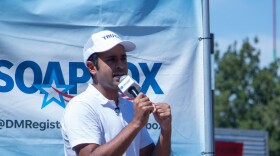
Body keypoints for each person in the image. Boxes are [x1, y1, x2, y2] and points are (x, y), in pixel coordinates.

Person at [61, 30, 172, 156]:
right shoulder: (81, 106)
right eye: (112, 59)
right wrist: (135, 124)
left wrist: (165, 130)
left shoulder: (130, 107)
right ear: (92, 67)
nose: (120, 65)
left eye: (123, 58)